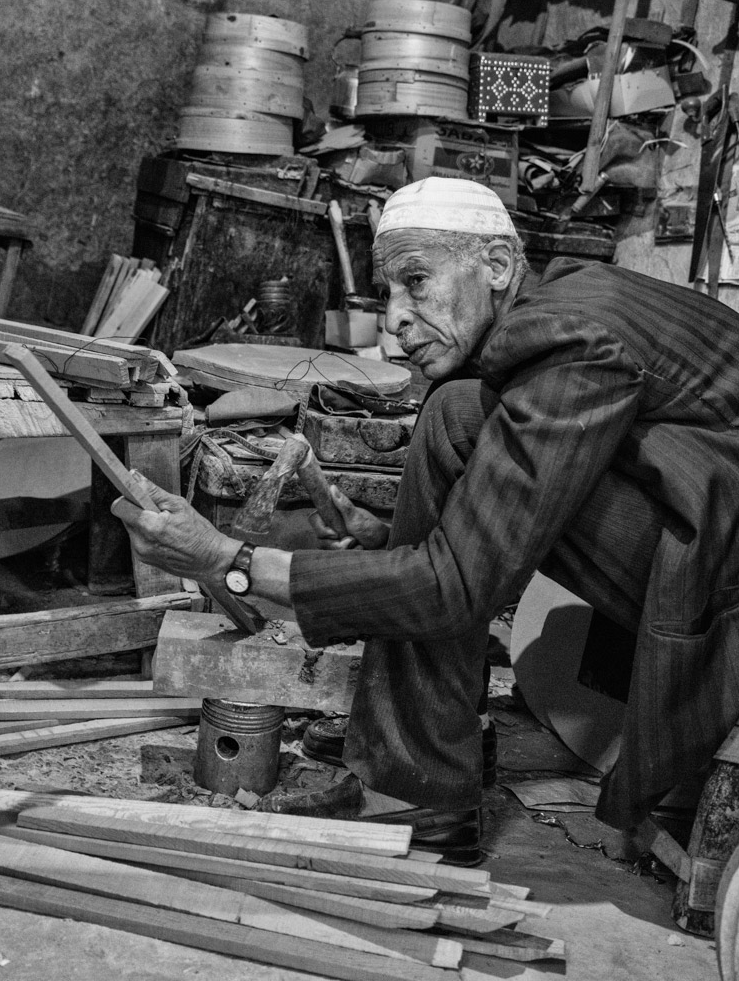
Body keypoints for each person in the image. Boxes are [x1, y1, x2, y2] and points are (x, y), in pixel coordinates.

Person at [114, 177, 739, 868]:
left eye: (416, 282)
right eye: (387, 294)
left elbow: (458, 584)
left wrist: (227, 559)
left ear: (497, 267)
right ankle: (430, 762)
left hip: (725, 569)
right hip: (714, 512)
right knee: (457, 412)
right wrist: (388, 548)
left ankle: (424, 784)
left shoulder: (568, 339)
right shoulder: (561, 303)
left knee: (453, 528)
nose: (396, 319)